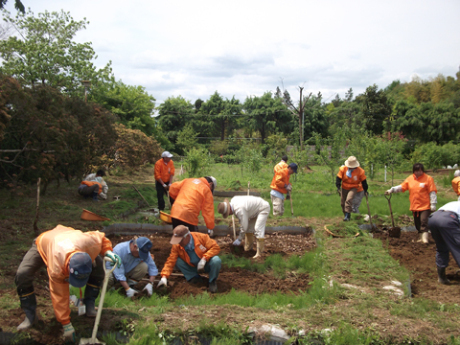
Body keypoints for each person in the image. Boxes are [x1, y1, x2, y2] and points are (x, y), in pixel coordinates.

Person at [14, 225, 120, 343]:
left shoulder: (89, 243)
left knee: (100, 269)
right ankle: (30, 317)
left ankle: (88, 305)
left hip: (72, 238)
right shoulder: (57, 267)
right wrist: (66, 323)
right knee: (22, 274)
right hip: (45, 243)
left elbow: (101, 237)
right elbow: (59, 295)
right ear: (68, 268)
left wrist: (108, 251)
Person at [157, 225, 221, 293]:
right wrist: (164, 277)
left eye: (180, 240)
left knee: (216, 260)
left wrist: (204, 258)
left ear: (187, 236)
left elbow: (216, 247)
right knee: (177, 260)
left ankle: (212, 282)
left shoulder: (201, 237)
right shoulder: (177, 245)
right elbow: (170, 261)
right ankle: (194, 277)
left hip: (206, 265)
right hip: (191, 266)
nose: (179, 243)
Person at [385, 163, 437, 244]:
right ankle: (421, 238)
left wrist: (433, 203)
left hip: (425, 206)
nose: (418, 172)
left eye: (420, 170)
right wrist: (391, 190)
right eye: (416, 171)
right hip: (415, 206)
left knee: (423, 221)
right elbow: (402, 187)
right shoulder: (410, 179)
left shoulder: (428, 179)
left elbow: (432, 192)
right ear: (414, 171)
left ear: (422, 170)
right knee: (417, 223)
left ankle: (425, 240)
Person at [427, 201, 460, 285]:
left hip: (432, 218)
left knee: (442, 248)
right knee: (457, 248)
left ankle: (441, 277)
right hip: (448, 219)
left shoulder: (454, 203)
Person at [336, 156, 368, 222]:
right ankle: (347, 216)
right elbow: (338, 178)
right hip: (344, 187)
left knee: (349, 199)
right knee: (343, 203)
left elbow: (364, 182)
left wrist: (365, 190)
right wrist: (338, 186)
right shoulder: (343, 169)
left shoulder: (360, 171)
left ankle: (347, 215)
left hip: (354, 187)